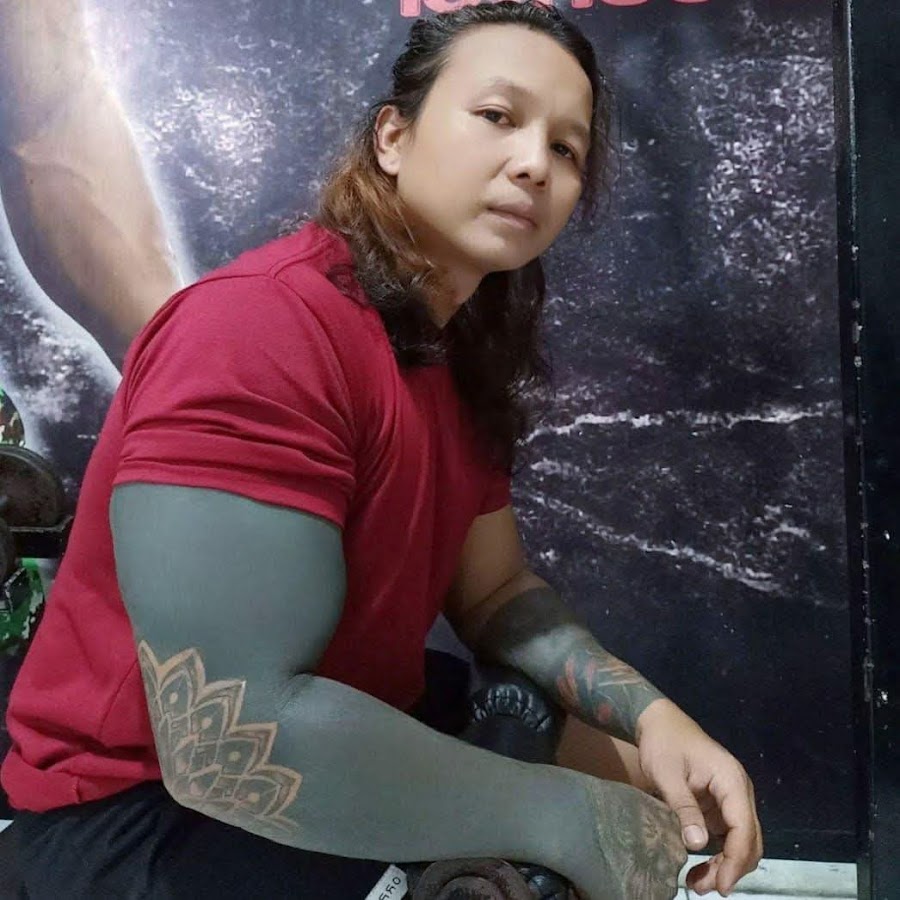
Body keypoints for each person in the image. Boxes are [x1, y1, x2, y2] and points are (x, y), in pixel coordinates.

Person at [1, 2, 763, 897]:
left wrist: (652, 718)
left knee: (649, 787)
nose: (534, 162)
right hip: (140, 819)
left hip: (343, 729)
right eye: (498, 115)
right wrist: (568, 816)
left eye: (566, 148)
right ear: (393, 138)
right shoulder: (255, 330)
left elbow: (497, 593)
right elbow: (224, 744)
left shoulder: (455, 357)